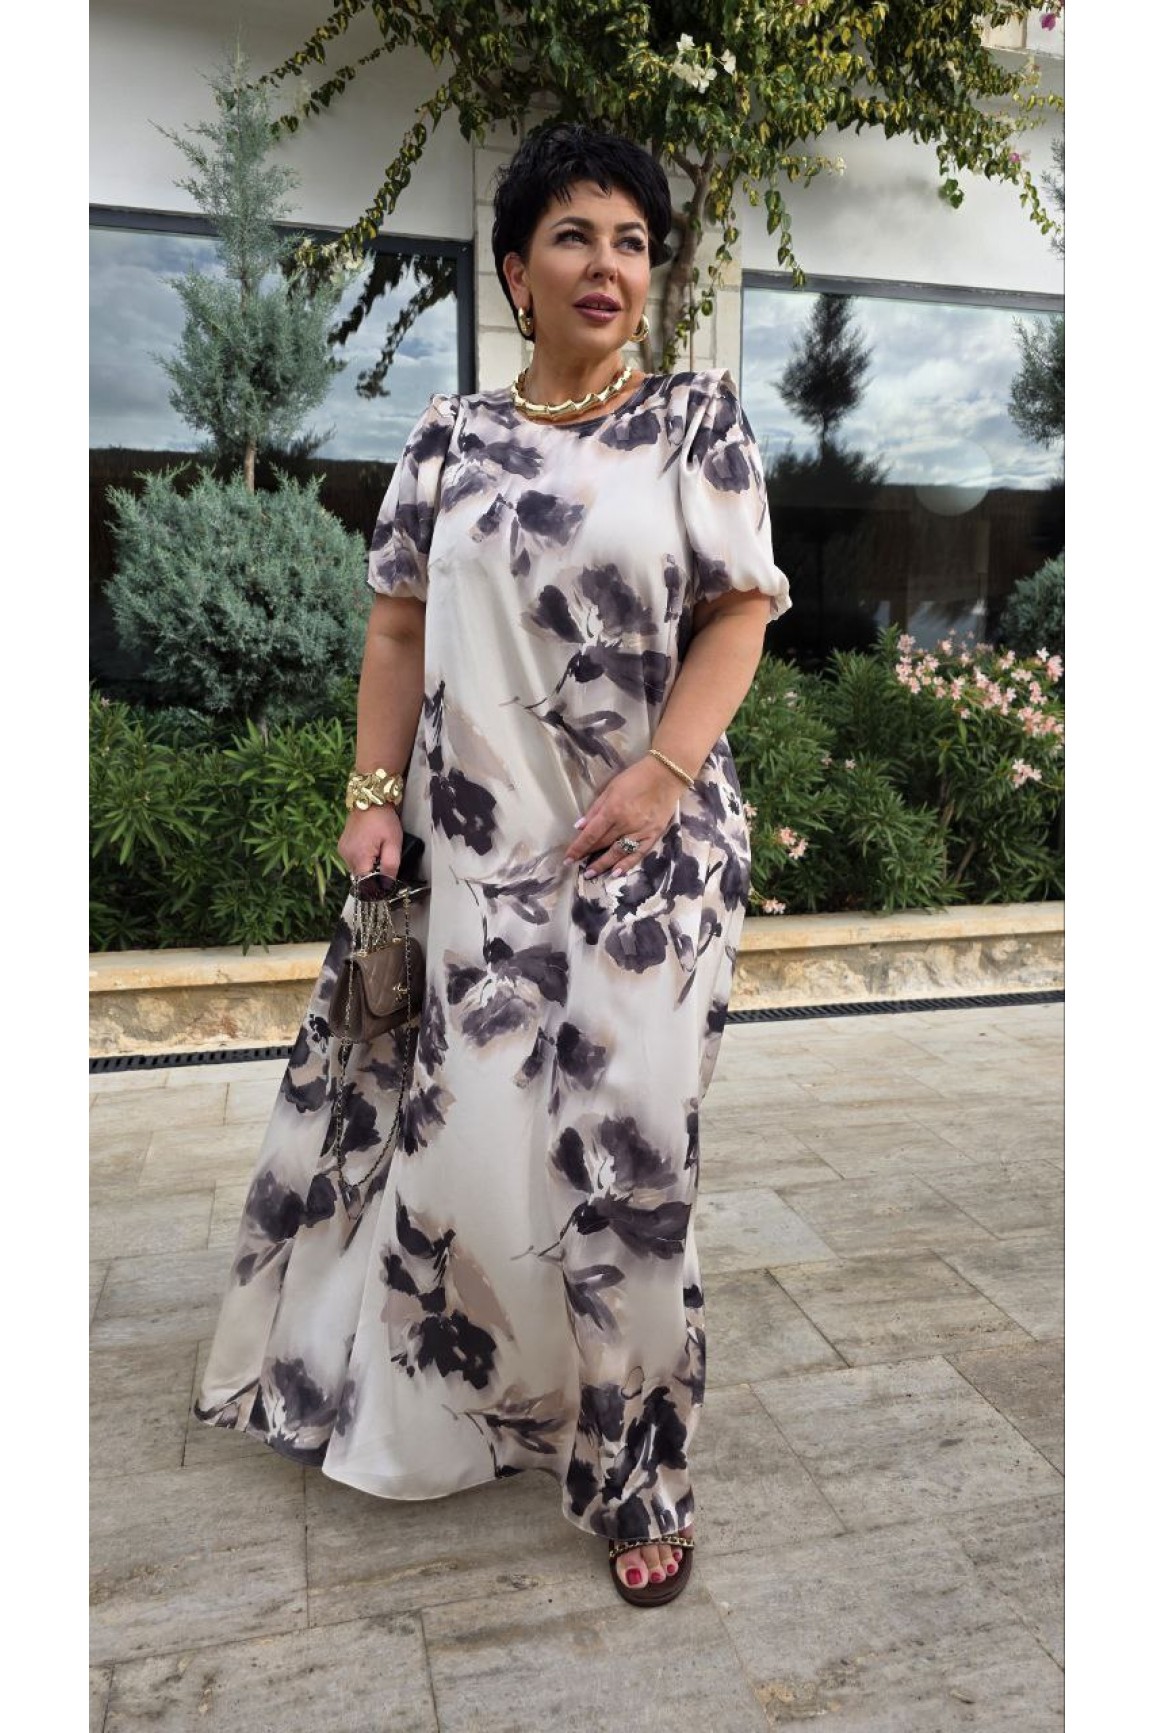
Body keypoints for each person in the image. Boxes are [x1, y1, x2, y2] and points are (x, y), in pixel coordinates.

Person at [194, 122, 790, 1609]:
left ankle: (641, 1471)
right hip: (477, 849)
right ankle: (494, 1402)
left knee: (632, 1161)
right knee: (477, 1149)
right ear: (517, 270)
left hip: (654, 859)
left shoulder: (697, 422)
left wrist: (661, 773)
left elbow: (739, 611)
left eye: (633, 241)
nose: (608, 265)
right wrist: (371, 796)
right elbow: (397, 626)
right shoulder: (448, 438)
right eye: (575, 235)